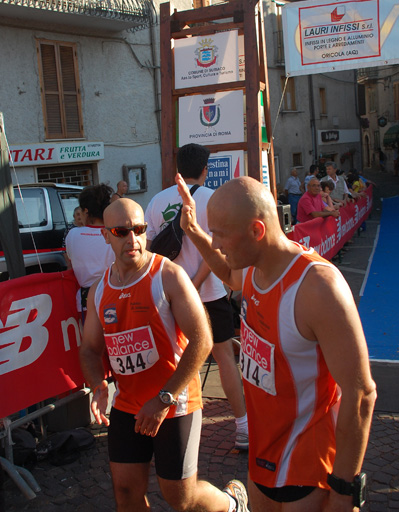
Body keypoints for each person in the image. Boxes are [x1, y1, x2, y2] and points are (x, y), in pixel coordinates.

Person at [176, 173, 376, 512]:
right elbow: (227, 273)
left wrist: (344, 489)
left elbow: (361, 395)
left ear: (257, 231)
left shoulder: (318, 288)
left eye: (221, 235)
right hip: (263, 454)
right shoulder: (252, 265)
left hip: (307, 465)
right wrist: (193, 231)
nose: (218, 243)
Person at [79, 198, 249, 512]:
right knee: (126, 494)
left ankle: (231, 504)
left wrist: (164, 397)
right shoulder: (100, 290)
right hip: (128, 405)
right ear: (105, 235)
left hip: (175, 403)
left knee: (180, 498)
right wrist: (98, 384)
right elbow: (90, 349)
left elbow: (202, 340)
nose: (132, 239)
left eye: (139, 229)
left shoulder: (168, 275)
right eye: (121, 231)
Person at [145, 143, 248, 450]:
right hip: (209, 293)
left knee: (170, 360)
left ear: (177, 167)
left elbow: (152, 252)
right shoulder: (213, 198)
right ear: (205, 169)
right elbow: (214, 248)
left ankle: (166, 423)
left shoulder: (156, 201)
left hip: (170, 296)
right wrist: (195, 282)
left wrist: (180, 285)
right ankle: (242, 428)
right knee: (224, 358)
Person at [66, 184, 115, 319]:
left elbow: (71, 259)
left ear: (86, 211)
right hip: (113, 295)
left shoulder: (72, 235)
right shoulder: (115, 234)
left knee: (90, 339)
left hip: (85, 301)